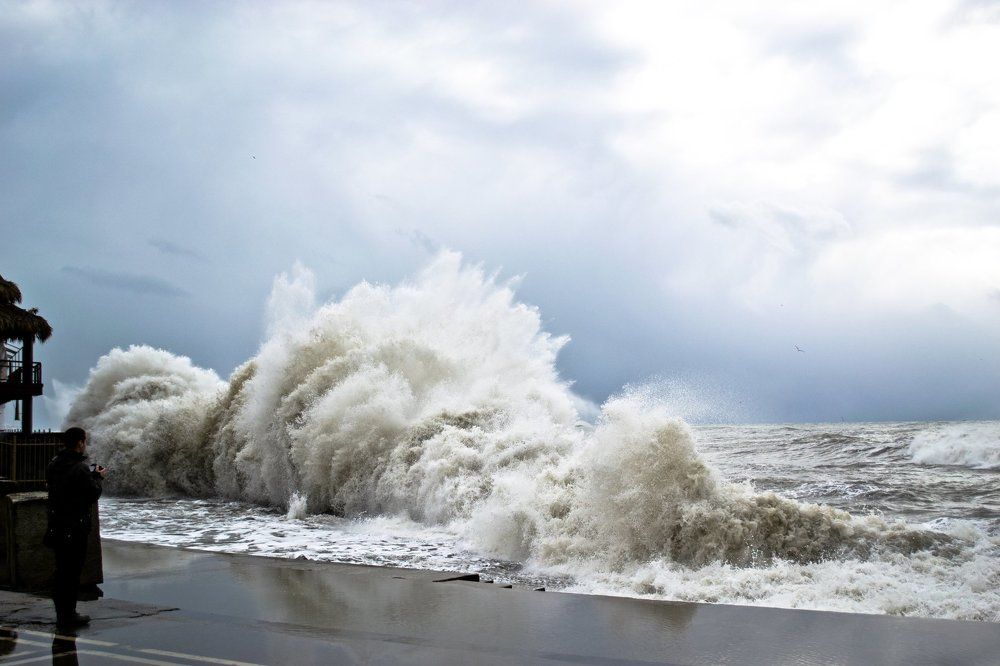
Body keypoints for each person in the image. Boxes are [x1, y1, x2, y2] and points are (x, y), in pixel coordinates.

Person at [45, 427, 106, 631]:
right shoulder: (80, 468)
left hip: (56, 525)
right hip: (74, 527)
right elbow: (92, 494)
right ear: (80, 443)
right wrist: (97, 477)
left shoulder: (53, 464)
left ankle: (62, 614)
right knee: (72, 573)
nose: (85, 444)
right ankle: (69, 616)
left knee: (61, 571)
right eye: (84, 441)